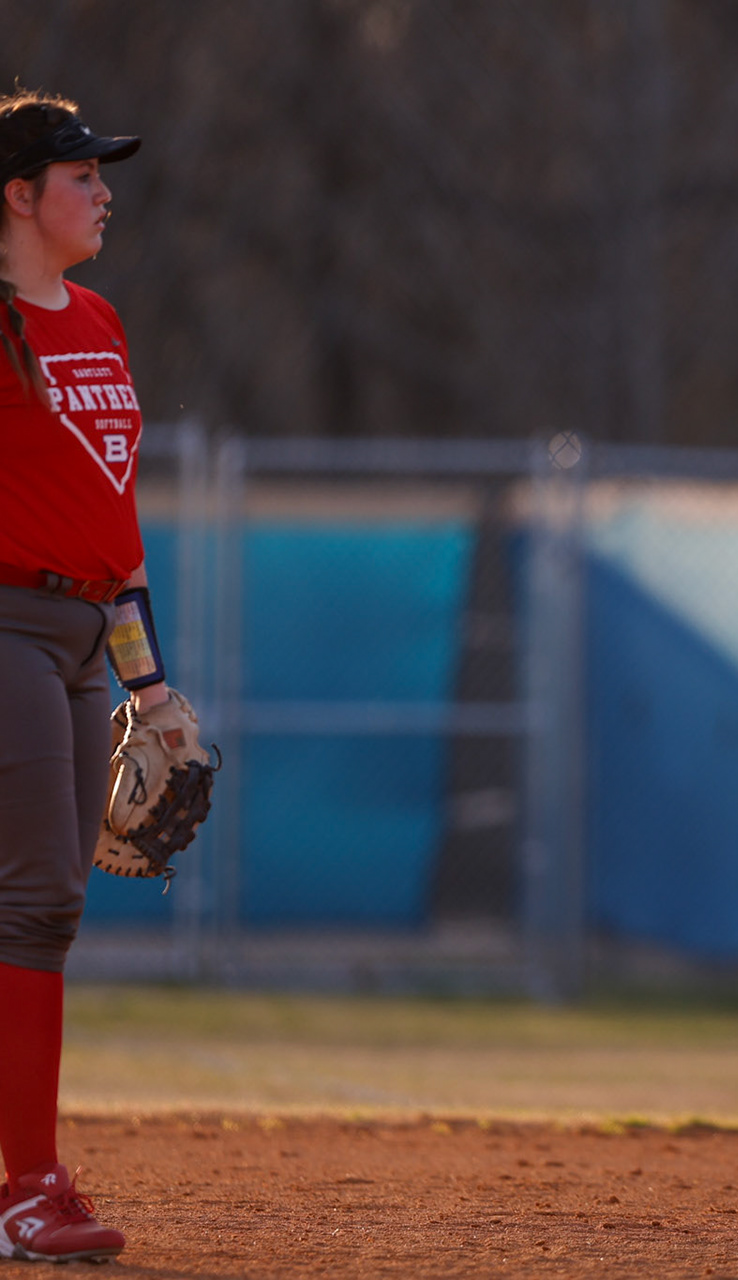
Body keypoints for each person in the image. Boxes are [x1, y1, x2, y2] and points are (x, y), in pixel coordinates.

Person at [0, 89, 162, 1264]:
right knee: (40, 892)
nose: (102, 188)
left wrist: (149, 686)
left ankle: (28, 1174)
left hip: (80, 639)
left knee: (48, 906)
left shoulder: (96, 319)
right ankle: (27, 1185)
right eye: (79, 172)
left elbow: (116, 528)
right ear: (18, 193)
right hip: (3, 623)